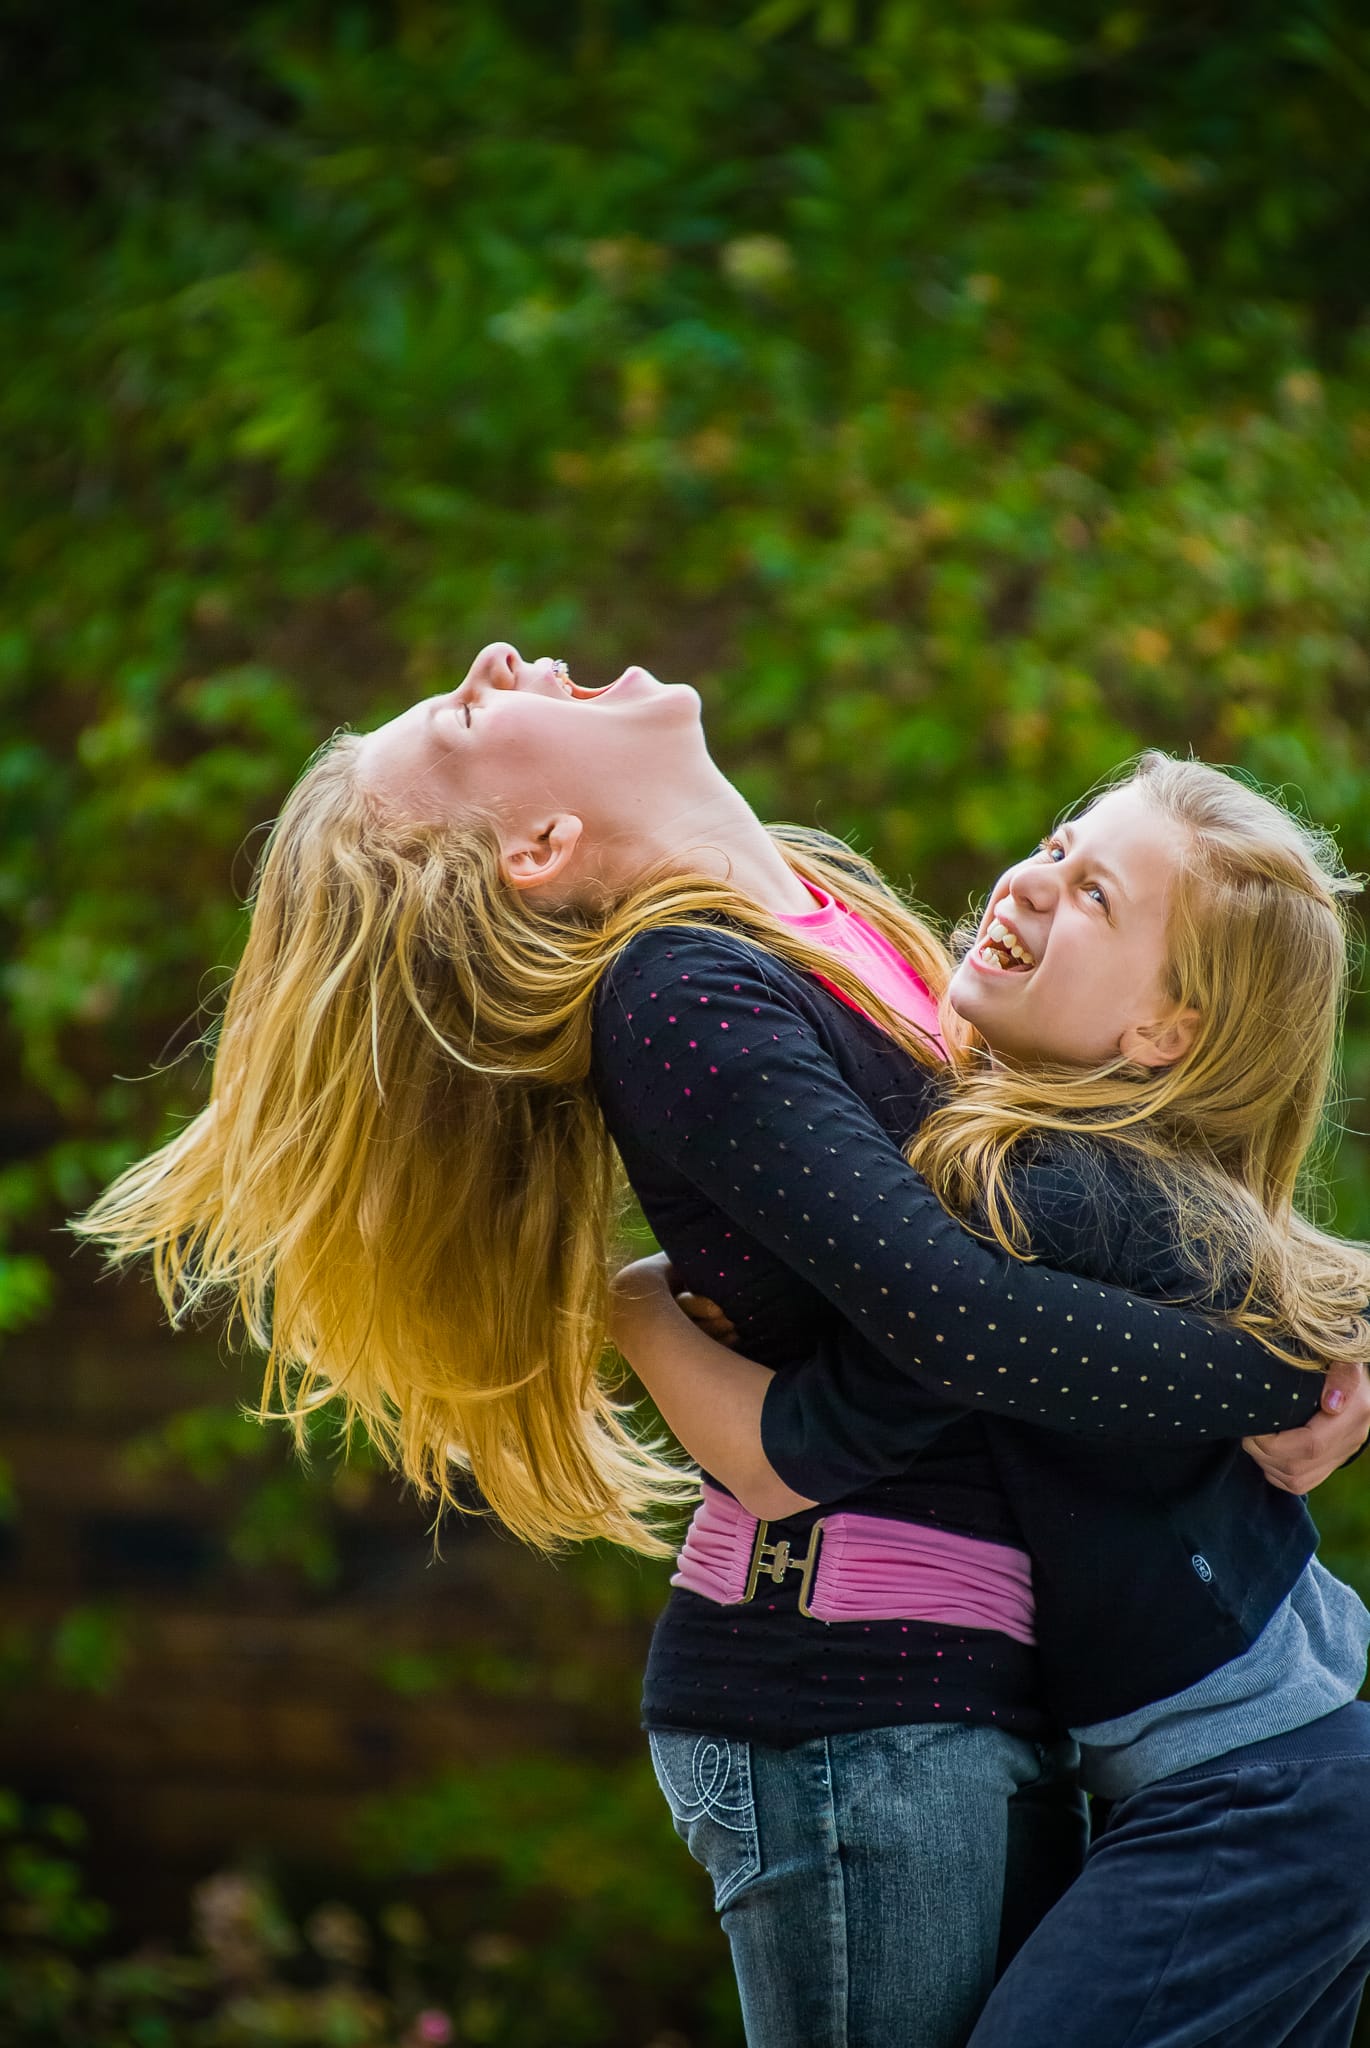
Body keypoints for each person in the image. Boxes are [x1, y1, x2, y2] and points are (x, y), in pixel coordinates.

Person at [73, 646, 1368, 2048]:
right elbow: (951, 1324)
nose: (497, 662)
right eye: (462, 714)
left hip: (1000, 1693)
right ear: (541, 843)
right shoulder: (685, 992)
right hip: (854, 1700)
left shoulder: (836, 920)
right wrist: (1290, 1373)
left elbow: (1084, 1237)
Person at [609, 752, 1370, 2046]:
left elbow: (793, 1451)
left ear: (1165, 1034)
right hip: (1271, 1779)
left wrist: (629, 1303)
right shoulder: (1147, 1185)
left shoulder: (1037, 1195)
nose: (1034, 881)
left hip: (1251, 1797)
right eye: (1060, 844)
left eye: (1097, 895)